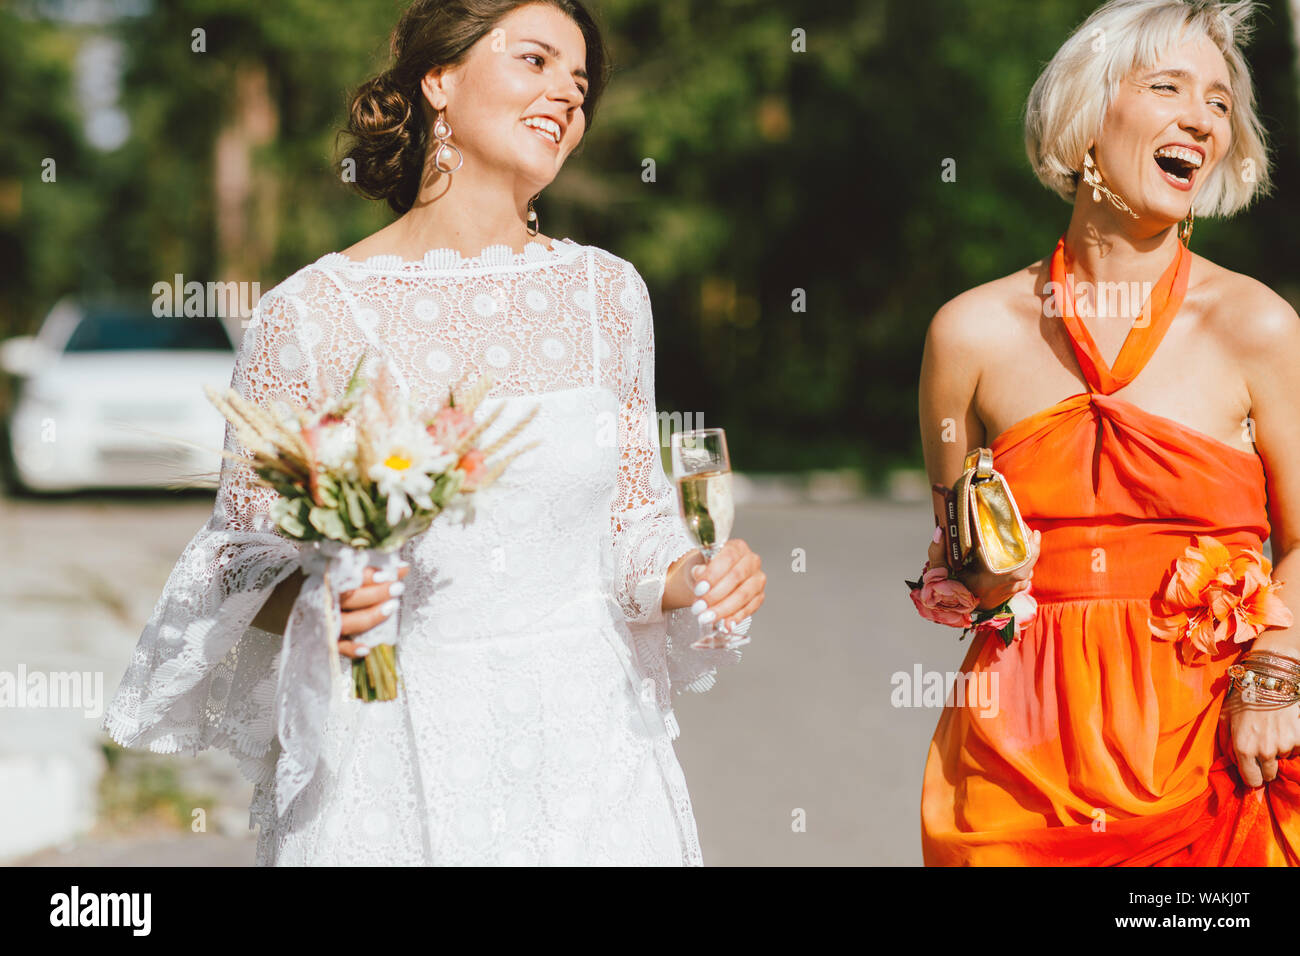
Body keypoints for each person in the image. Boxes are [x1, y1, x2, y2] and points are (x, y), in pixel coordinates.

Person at [102, 0, 766, 866]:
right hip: (392, 753)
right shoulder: (310, 314)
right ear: (440, 80)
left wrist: (695, 574)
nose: (567, 95)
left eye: (580, 82)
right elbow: (239, 562)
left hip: (593, 756)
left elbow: (633, 522)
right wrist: (326, 597)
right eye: (535, 61)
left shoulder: (610, 296)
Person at [916, 0, 1300, 864]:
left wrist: (1275, 679)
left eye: (1219, 102)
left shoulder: (1259, 327)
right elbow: (959, 552)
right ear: (1086, 115)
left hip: (1217, 755)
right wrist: (964, 578)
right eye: (1167, 86)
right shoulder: (967, 335)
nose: (1200, 119)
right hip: (1019, 762)